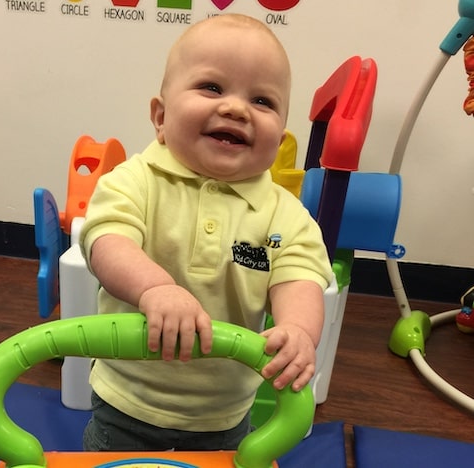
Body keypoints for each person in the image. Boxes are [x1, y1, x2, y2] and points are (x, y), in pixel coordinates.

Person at [79, 13, 334, 452]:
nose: (236, 108)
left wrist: (297, 330)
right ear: (160, 117)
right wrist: (155, 288)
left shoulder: (285, 216)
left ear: (280, 137)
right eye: (212, 88)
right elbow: (107, 239)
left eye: (263, 101)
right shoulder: (136, 180)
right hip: (128, 398)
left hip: (225, 410)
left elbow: (300, 278)